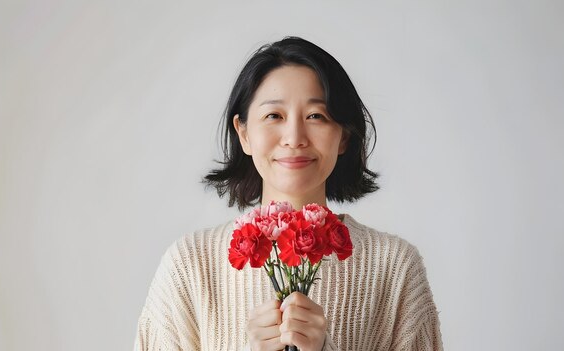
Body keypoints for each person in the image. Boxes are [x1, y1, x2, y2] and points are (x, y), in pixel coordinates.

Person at [133, 36, 443, 350]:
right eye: (274, 116)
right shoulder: (190, 265)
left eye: (316, 116)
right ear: (244, 134)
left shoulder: (395, 266)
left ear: (344, 137)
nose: (294, 138)